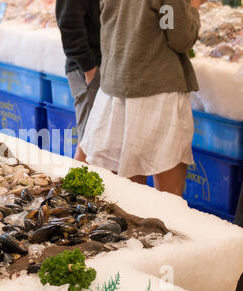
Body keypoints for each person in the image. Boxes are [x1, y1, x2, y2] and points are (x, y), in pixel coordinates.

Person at [80, 0, 207, 197]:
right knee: (168, 199)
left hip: (115, 89)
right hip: (156, 92)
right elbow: (179, 38)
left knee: (129, 194)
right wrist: (194, 7)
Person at [55, 0, 101, 162]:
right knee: (88, 141)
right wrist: (89, 69)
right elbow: (68, 24)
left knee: (97, 140)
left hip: (100, 67)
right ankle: (72, 187)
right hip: (88, 69)